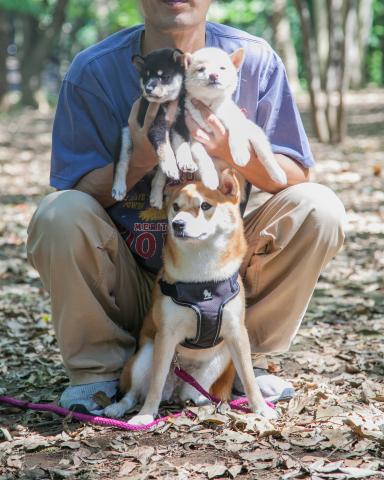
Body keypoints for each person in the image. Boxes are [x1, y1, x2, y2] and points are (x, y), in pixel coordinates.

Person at [26, 0, 346, 414]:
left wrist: (231, 150)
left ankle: (249, 359)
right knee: (58, 214)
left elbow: (295, 174)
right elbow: (76, 188)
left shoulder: (254, 59)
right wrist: (142, 155)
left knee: (318, 207)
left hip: (223, 277)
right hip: (131, 280)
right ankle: (99, 373)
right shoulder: (93, 71)